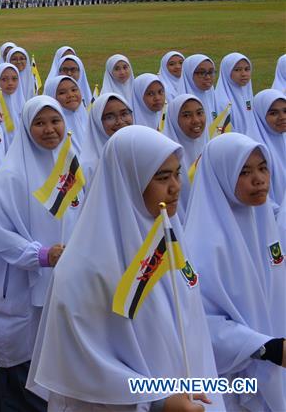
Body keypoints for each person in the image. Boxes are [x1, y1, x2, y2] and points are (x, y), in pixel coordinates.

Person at [27, 125, 224, 411]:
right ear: (129, 180)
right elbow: (82, 364)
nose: (175, 186)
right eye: (162, 177)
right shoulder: (82, 269)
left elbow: (188, 329)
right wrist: (157, 401)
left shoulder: (168, 238)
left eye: (177, 173)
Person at [0, 97, 86, 412]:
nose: (49, 129)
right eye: (39, 123)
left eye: (55, 121)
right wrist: (41, 255)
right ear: (27, 127)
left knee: (59, 355)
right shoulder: (11, 174)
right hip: (21, 284)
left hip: (66, 281)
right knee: (23, 361)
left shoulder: (70, 164)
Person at [184, 133, 285, 411]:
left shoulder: (263, 221)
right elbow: (200, 323)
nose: (259, 179)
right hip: (232, 382)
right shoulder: (203, 245)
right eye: (244, 171)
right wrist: (265, 347)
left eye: (263, 168)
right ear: (221, 176)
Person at [161, 94, 209, 220]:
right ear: (174, 120)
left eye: (200, 113)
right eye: (187, 115)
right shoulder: (166, 159)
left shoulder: (211, 151)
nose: (196, 120)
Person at [81, 93, 134, 183]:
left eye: (124, 114)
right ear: (97, 122)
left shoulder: (138, 151)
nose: (120, 121)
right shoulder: (89, 168)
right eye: (110, 117)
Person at [249, 89, 286, 209]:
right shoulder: (253, 150)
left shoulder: (283, 137)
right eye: (273, 113)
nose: (282, 117)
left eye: (285, 111)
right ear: (260, 115)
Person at [215, 52, 260, 138]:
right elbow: (220, 133)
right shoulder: (221, 102)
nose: (244, 74)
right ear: (227, 72)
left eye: (247, 69)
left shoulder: (248, 95)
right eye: (237, 70)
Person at [183, 54, 229, 137]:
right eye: (201, 73)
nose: (208, 77)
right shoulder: (181, 104)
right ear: (189, 74)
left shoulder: (212, 96)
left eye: (211, 72)